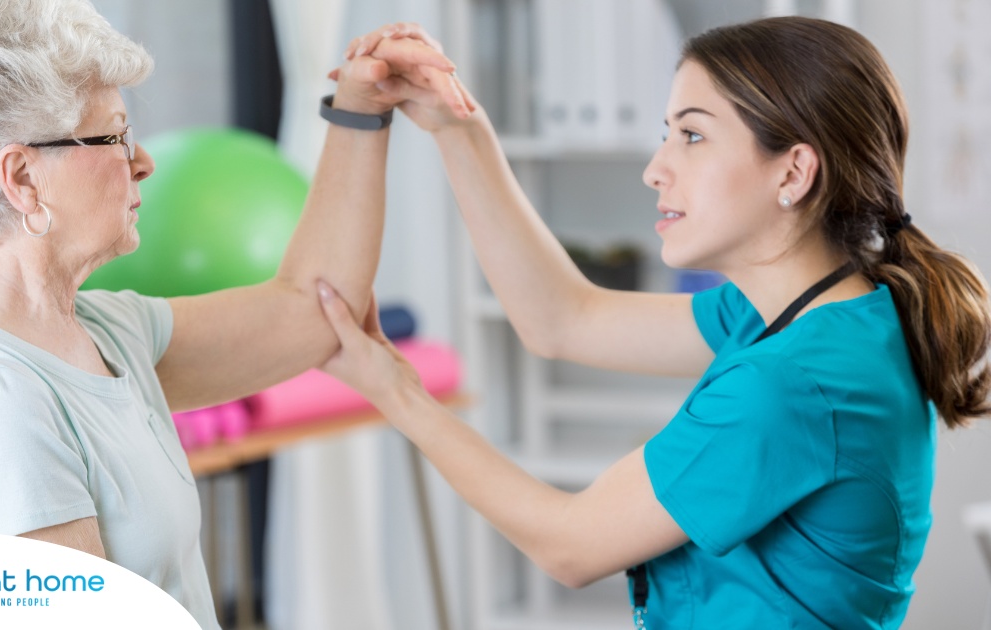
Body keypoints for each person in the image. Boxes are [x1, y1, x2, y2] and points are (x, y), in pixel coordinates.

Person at [318, 17, 991, 628]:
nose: (654, 170)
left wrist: (396, 393)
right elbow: (564, 320)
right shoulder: (823, 311)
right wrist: (457, 127)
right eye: (665, 135)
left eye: (692, 135)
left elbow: (571, 543)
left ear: (794, 171)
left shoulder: (793, 381)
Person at [0, 1, 463, 626]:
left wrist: (358, 112)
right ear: (21, 177)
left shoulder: (102, 332)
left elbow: (316, 312)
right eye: (114, 135)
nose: (143, 161)